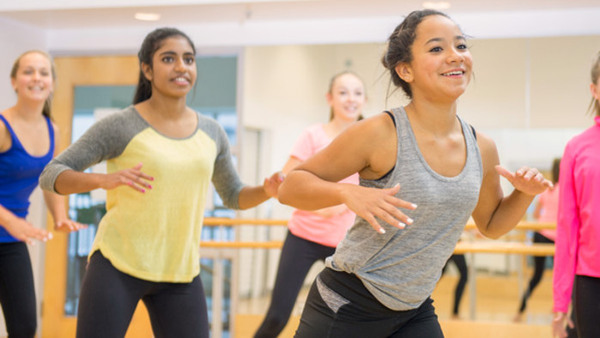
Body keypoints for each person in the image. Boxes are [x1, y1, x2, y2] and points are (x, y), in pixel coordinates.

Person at [278, 9, 552, 337]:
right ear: (405, 69)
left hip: (414, 309)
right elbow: (290, 186)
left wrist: (523, 194)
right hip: (349, 301)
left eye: (461, 46)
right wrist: (346, 192)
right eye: (437, 49)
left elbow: (491, 225)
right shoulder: (380, 132)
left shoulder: (482, 147)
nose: (455, 56)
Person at [39, 28, 282, 338]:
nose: (181, 67)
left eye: (188, 59)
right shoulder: (122, 125)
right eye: (169, 59)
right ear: (147, 69)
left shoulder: (212, 132)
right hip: (117, 265)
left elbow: (233, 195)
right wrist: (103, 179)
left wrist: (266, 190)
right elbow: (51, 174)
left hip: (180, 273)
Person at [254, 71, 365, 338]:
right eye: (343, 92)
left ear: (365, 99)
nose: (351, 99)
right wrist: (323, 200)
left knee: (352, 319)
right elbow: (285, 182)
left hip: (347, 243)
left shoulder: (368, 138)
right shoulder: (313, 135)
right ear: (330, 98)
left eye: (357, 93)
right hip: (303, 237)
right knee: (277, 316)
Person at [0, 50, 84, 337]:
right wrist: (10, 220)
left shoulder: (52, 130)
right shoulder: (1, 126)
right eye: (28, 71)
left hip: (10, 241)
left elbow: (52, 179)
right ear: (14, 82)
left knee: (24, 326)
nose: (36, 78)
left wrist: (59, 216)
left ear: (52, 83)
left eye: (44, 72)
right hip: (11, 228)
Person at [552, 51, 600, 338]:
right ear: (594, 90)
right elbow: (567, 228)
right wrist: (560, 300)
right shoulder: (577, 148)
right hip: (591, 283)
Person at [514, 158, 560, 322]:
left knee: (537, 276)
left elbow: (535, 214)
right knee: (560, 276)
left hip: (540, 234)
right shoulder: (567, 191)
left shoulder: (547, 190)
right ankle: (557, 310)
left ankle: (520, 311)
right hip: (556, 237)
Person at [440, 253, 468, 319]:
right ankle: (455, 313)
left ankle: (455, 312)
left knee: (436, 276)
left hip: (451, 247)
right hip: (452, 247)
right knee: (435, 277)